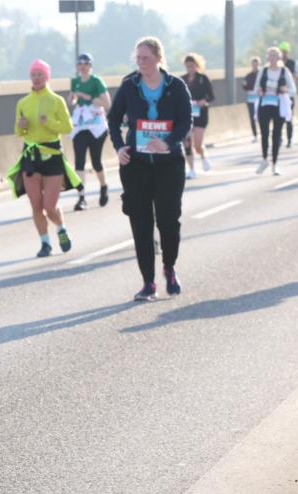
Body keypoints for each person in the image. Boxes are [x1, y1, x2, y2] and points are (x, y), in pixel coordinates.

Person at [108, 36, 192, 301]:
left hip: (169, 164)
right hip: (137, 166)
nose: (141, 62)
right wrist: (120, 147)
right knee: (141, 224)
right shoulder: (129, 85)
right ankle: (148, 282)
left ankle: (169, 266)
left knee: (169, 221)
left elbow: (186, 121)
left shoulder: (175, 86)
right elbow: (113, 119)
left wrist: (168, 143)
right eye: (138, 58)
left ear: (158, 58)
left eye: (145, 58)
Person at [12, 58, 79, 257]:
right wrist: (22, 124)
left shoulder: (56, 101)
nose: (37, 78)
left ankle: (61, 229)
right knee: (36, 205)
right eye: (33, 75)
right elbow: (18, 132)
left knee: (50, 207)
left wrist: (49, 121)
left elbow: (67, 127)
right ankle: (45, 243)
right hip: (31, 157)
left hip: (52, 156)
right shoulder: (23, 103)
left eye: (40, 74)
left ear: (47, 76)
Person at [69, 52, 112, 210]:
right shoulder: (75, 81)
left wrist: (87, 97)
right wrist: (74, 97)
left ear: (90, 65)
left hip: (96, 125)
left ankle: (103, 186)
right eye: (80, 63)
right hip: (80, 124)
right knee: (79, 161)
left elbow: (106, 103)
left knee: (96, 161)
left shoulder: (96, 81)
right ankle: (81, 197)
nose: (83, 66)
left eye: (86, 63)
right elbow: (72, 100)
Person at [254, 47, 295, 176]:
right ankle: (264, 159)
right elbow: (256, 88)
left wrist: (285, 90)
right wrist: (260, 91)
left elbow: (293, 89)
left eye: (275, 55)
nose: (272, 58)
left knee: (276, 134)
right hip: (265, 104)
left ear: (279, 58)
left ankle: (275, 164)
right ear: (267, 58)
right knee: (264, 133)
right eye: (270, 55)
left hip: (279, 104)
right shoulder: (263, 71)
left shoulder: (284, 71)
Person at [182, 53, 215, 179]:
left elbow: (211, 96)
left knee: (197, 144)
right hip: (186, 115)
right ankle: (191, 169)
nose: (190, 68)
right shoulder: (182, 80)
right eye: (188, 66)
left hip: (200, 114)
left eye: (192, 66)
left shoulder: (203, 78)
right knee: (187, 143)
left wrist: (203, 101)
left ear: (197, 65)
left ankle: (203, 155)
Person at [278, 41, 298, 148]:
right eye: (281, 52)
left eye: (285, 52)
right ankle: (279, 138)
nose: (283, 54)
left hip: (290, 95)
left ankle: (289, 139)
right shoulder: (275, 64)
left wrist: (294, 77)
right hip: (278, 95)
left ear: (288, 52)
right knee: (278, 118)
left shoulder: (293, 63)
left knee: (288, 117)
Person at [243, 57, 262, 142]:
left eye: (256, 64)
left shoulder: (262, 74)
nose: (254, 66)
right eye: (253, 64)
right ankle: (255, 135)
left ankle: (263, 133)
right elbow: (244, 86)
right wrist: (245, 85)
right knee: (252, 118)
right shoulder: (248, 76)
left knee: (261, 117)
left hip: (260, 99)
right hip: (251, 99)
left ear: (259, 64)